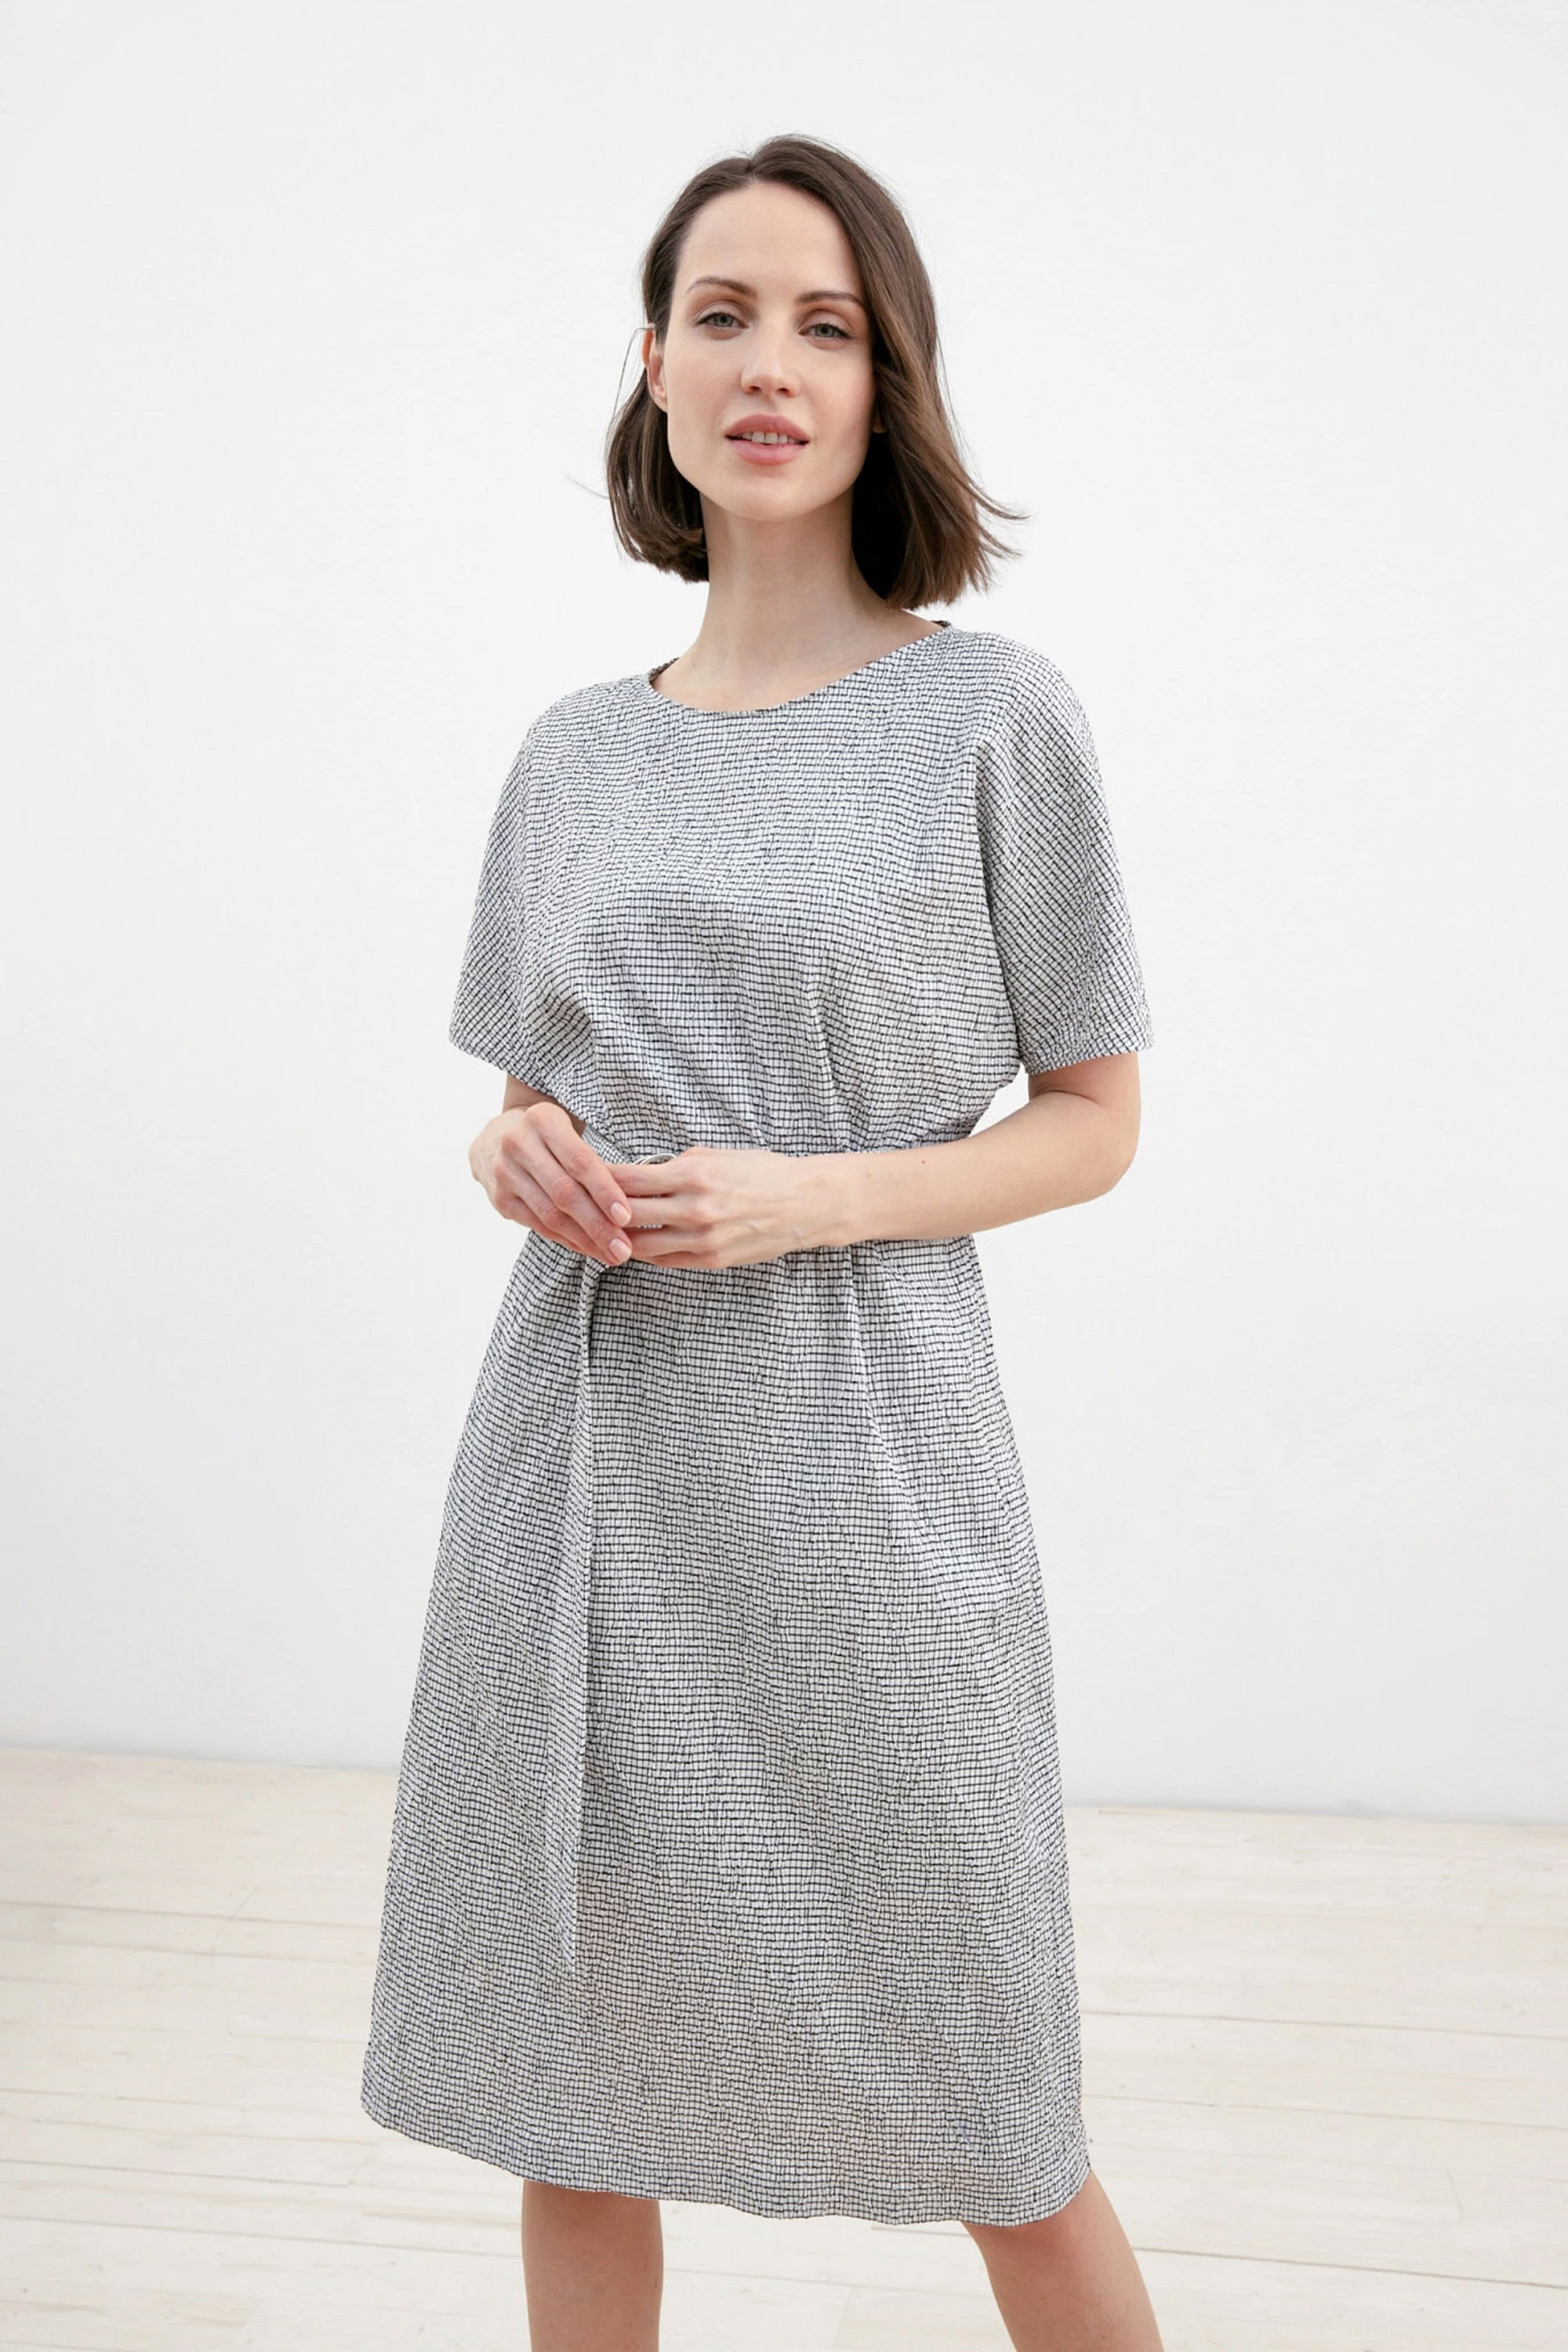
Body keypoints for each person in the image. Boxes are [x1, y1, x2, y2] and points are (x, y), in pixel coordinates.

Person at [361, 132, 1166, 2352]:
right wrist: (518, 1153)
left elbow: (1097, 1124)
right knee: (573, 2088)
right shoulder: (572, 754)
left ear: (889, 381)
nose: (769, 366)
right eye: (721, 316)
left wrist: (813, 1197)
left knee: (998, 2099)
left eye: (826, 325)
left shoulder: (993, 718)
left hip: (865, 1471)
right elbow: (528, 1091)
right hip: (585, 1476)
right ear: (654, 366)